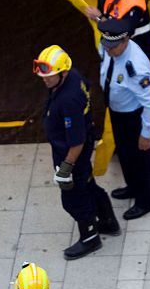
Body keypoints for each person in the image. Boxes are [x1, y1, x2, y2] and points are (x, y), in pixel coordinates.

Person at [33, 45, 120, 260]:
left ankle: (90, 237)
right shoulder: (72, 77)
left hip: (72, 155)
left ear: (62, 73)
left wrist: (66, 167)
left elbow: (76, 140)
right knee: (87, 184)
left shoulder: (68, 100)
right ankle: (108, 221)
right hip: (78, 149)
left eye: (49, 75)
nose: (44, 79)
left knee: (73, 197)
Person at [99, 18, 150, 220]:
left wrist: (146, 133)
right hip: (117, 113)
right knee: (125, 155)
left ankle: (147, 201)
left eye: (114, 47)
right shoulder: (110, 47)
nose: (109, 50)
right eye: (107, 45)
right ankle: (133, 187)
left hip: (133, 117)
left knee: (140, 160)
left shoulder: (135, 67)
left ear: (126, 40)